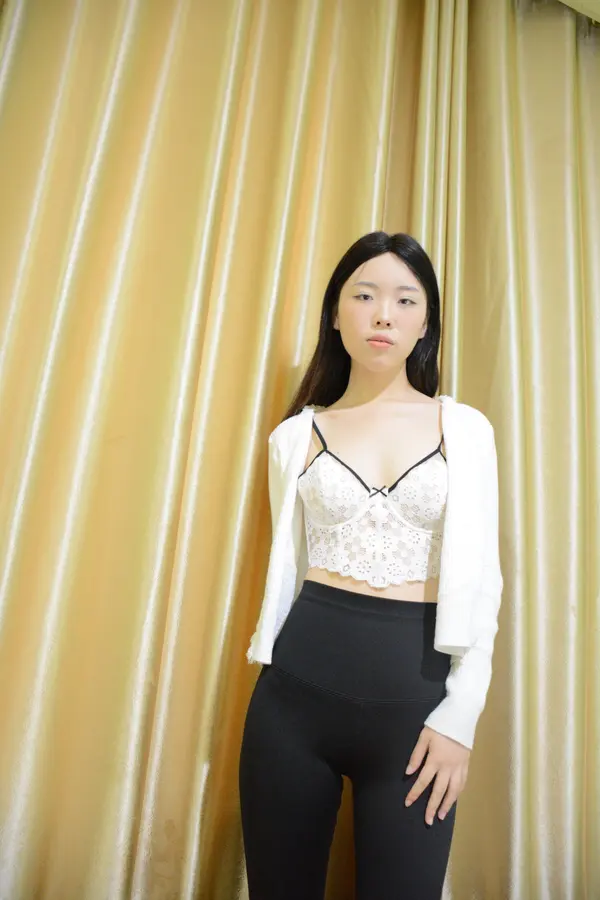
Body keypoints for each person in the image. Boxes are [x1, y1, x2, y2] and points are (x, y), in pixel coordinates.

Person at [238, 231, 503, 900]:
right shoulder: (294, 436)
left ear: (425, 322)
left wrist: (461, 715)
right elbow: (289, 567)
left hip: (417, 715)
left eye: (405, 300)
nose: (383, 314)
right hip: (291, 704)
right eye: (364, 296)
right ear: (336, 313)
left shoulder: (466, 430)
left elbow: (485, 581)